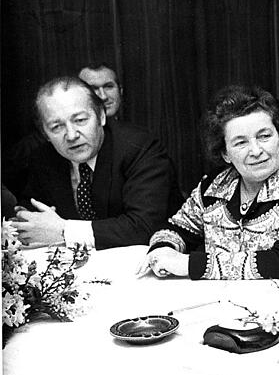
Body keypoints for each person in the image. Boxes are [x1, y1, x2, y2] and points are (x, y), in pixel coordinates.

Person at [136, 85, 279, 282]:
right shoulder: (215, 184)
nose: (256, 150)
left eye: (264, 136)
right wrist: (162, 251)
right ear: (225, 154)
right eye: (241, 142)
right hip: (230, 299)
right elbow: (178, 229)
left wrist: (187, 264)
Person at [11, 76, 182, 249]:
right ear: (45, 133)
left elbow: (144, 227)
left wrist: (65, 230)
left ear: (101, 116)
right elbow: (31, 206)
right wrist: (24, 219)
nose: (71, 135)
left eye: (80, 120)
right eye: (57, 127)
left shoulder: (140, 148)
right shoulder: (43, 158)